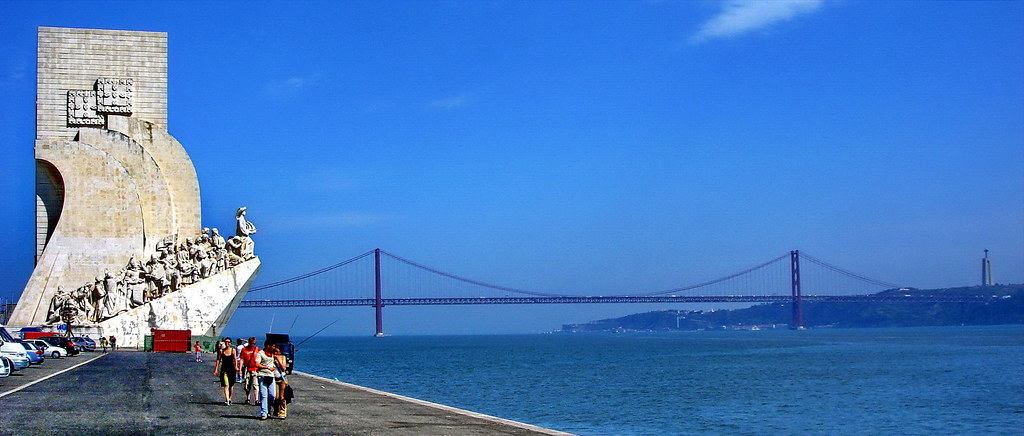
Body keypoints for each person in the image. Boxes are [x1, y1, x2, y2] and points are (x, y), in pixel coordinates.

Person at [254, 344, 277, 420]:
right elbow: (257, 364)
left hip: (271, 376)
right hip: (262, 375)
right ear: (268, 345)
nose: (274, 348)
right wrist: (267, 367)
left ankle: (269, 409)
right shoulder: (260, 353)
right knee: (264, 395)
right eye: (273, 346)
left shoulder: (273, 354)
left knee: (272, 395)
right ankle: (263, 412)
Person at [213, 337, 239, 405]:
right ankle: (227, 399)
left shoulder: (233, 350)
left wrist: (236, 367)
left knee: (231, 385)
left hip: (232, 369)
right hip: (224, 369)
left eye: (228, 342)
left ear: (230, 343)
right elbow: (218, 360)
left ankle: (229, 398)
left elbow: (235, 359)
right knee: (226, 385)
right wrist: (216, 369)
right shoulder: (221, 351)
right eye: (226, 342)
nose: (227, 343)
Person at [238, 337, 261, 405]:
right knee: (247, 385)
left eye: (254, 343)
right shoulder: (244, 350)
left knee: (255, 385)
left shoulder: (257, 349)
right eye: (252, 343)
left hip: (255, 369)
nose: (252, 344)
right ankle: (248, 398)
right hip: (247, 368)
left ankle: (256, 399)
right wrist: (240, 369)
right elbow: (241, 359)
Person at [272, 346, 290, 418]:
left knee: (282, 397)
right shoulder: (270, 358)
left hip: (282, 378)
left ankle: (282, 412)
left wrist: (278, 360)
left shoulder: (283, 357)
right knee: (275, 397)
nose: (275, 353)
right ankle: (276, 410)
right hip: (274, 379)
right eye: (274, 351)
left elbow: (283, 368)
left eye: (277, 352)